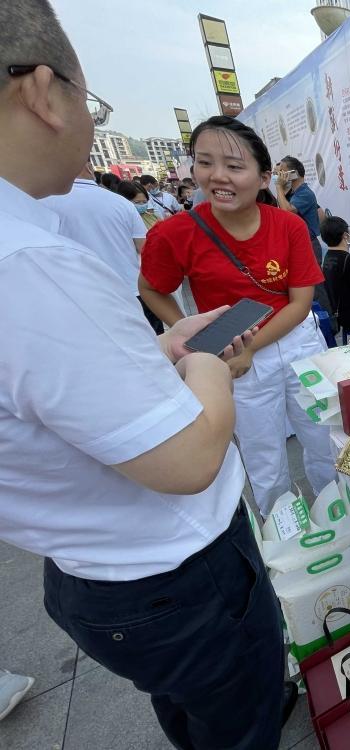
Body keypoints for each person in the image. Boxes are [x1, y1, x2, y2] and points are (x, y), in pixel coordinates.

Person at [0, 2, 293, 747]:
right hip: (173, 578)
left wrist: (165, 354)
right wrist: (208, 367)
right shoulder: (31, 267)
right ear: (41, 91)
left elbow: (58, 395)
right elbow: (192, 459)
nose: (220, 177)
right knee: (238, 717)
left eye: (237, 164)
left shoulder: (30, 253)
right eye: (90, 102)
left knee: (197, 709)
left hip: (103, 574)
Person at [139, 115, 337, 515]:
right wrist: (192, 335)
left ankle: (341, 524)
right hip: (233, 360)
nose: (218, 176)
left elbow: (299, 303)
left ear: (264, 177)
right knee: (265, 461)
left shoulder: (289, 226)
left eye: (234, 166)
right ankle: (285, 540)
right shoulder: (175, 232)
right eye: (205, 162)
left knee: (325, 443)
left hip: (299, 346)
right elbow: (150, 289)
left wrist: (252, 347)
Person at [42, 161, 160, 333]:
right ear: (89, 166)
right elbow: (145, 249)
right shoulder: (121, 203)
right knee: (155, 343)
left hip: (81, 298)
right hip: (131, 288)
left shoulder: (45, 203)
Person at [274, 155, 322, 262]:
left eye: (281, 172)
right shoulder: (292, 193)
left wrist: (278, 186)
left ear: (293, 173)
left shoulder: (305, 193)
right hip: (297, 245)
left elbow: (287, 211)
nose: (278, 177)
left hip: (309, 246)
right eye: (277, 174)